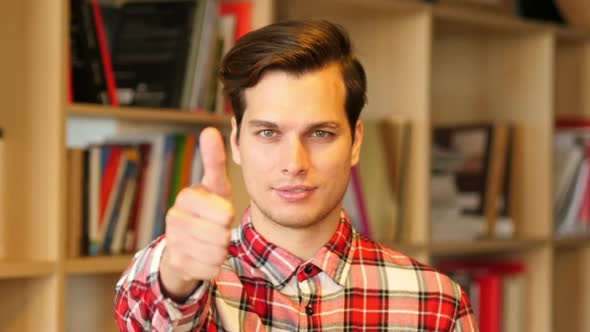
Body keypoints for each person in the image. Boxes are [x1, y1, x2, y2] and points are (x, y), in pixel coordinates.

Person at [114, 19, 477, 331]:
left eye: (320, 133)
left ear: (355, 142)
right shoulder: (190, 280)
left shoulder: (436, 302)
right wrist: (176, 275)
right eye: (269, 133)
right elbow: (148, 317)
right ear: (237, 141)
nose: (294, 162)